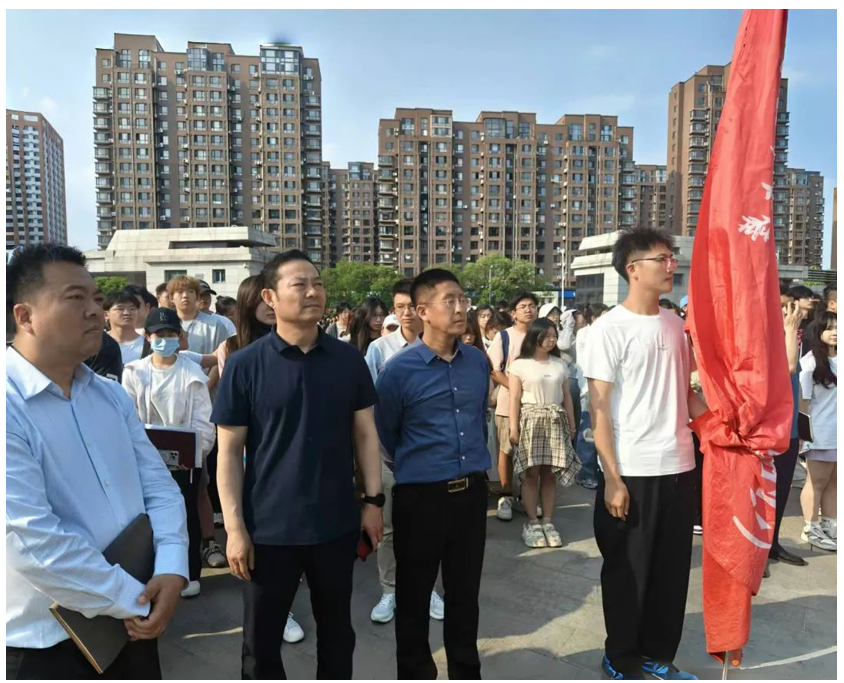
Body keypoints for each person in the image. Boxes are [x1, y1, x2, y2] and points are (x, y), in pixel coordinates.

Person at [7, 244, 188, 679]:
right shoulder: (8, 406)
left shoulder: (110, 395)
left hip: (130, 627)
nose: (95, 311)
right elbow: (30, 539)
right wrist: (136, 598)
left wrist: (171, 567)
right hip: (45, 644)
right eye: (75, 298)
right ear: (25, 316)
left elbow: (159, 486)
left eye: (96, 298)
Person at [213, 250, 383, 679]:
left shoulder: (348, 359)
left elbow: (366, 434)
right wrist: (234, 528)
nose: (313, 292)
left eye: (318, 283)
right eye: (300, 284)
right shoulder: (245, 364)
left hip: (335, 524)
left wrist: (373, 501)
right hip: (268, 530)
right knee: (260, 643)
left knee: (337, 634)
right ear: (269, 297)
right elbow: (229, 452)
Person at [581, 228, 706, 680]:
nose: (671, 266)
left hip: (679, 465)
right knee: (627, 571)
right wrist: (612, 477)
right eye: (662, 259)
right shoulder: (608, 330)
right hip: (632, 469)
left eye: (672, 258)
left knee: (671, 571)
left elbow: (685, 393)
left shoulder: (675, 325)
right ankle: (620, 657)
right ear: (633, 268)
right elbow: (598, 409)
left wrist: (719, 428)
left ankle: (657, 654)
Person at [375, 269, 490, 680]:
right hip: (421, 498)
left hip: (471, 495)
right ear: (422, 311)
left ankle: (465, 671)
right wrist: (421, 469)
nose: (460, 309)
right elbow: (386, 437)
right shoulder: (398, 371)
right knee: (413, 596)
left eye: (463, 300)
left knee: (465, 595)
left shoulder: (477, 362)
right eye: (449, 301)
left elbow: (479, 419)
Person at [206, 275, 306, 643]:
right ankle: (279, 613)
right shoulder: (234, 349)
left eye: (274, 297)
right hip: (253, 456)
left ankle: (286, 599)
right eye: (262, 298)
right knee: (260, 544)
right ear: (251, 301)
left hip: (296, 456)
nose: (269, 305)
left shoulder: (300, 341)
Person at [122, 307, 216, 599]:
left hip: (185, 463)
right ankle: (152, 573)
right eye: (158, 334)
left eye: (170, 333)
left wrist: (195, 453)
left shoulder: (191, 373)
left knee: (185, 514)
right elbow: (128, 417)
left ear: (180, 336)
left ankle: (188, 572)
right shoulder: (135, 372)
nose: (164, 339)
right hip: (145, 460)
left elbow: (204, 421)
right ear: (148, 337)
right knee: (148, 517)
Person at [363, 279, 439, 625]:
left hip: (427, 451)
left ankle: (429, 588)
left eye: (411, 306)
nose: (406, 313)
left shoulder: (439, 346)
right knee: (389, 527)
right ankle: (389, 589)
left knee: (428, 526)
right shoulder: (379, 349)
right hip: (387, 451)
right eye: (399, 307)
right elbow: (366, 403)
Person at [508, 318, 580, 549]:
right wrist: (513, 428)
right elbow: (514, 398)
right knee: (530, 474)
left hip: (555, 420)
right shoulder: (520, 365)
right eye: (546, 335)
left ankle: (548, 521)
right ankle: (532, 522)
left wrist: (572, 424)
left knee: (550, 474)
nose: (551, 340)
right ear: (535, 337)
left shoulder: (560, 364)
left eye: (554, 336)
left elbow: (567, 396)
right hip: (531, 419)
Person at [766, 297, 808, 568]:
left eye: (791, 305)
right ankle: (757, 550)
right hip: (769, 430)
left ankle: (773, 544)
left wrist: (803, 426)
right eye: (782, 305)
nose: (789, 310)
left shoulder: (793, 338)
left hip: (790, 430)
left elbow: (797, 383)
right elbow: (787, 367)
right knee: (763, 494)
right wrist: (790, 330)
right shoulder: (766, 339)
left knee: (781, 490)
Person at [488, 291, 538, 521]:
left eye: (532, 305)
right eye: (523, 306)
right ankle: (506, 494)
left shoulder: (540, 335)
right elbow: (495, 371)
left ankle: (526, 496)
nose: (528, 310)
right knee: (506, 450)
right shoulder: (504, 337)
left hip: (535, 406)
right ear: (513, 313)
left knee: (531, 453)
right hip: (508, 404)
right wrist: (520, 392)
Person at [799, 311, 837, 552]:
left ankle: (830, 525)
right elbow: (803, 401)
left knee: (835, 482)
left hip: (837, 433)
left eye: (838, 327)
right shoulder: (810, 361)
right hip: (820, 433)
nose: (835, 332)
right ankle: (810, 527)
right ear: (818, 331)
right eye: (829, 328)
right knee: (816, 482)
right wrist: (806, 436)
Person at [573, 303, 609, 490]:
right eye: (605, 315)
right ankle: (585, 473)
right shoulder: (585, 333)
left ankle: (598, 471)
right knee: (588, 433)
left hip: (607, 390)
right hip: (589, 389)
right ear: (594, 318)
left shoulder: (607, 332)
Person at [167, 275, 232, 356]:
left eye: (190, 291)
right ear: (171, 298)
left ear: (197, 296)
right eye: (180, 292)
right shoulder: (166, 325)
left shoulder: (216, 325)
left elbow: (224, 355)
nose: (185, 295)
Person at [105, 291, 145, 364]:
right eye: (120, 309)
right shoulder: (98, 343)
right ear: (106, 315)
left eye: (132, 308)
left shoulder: (148, 345)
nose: (127, 313)